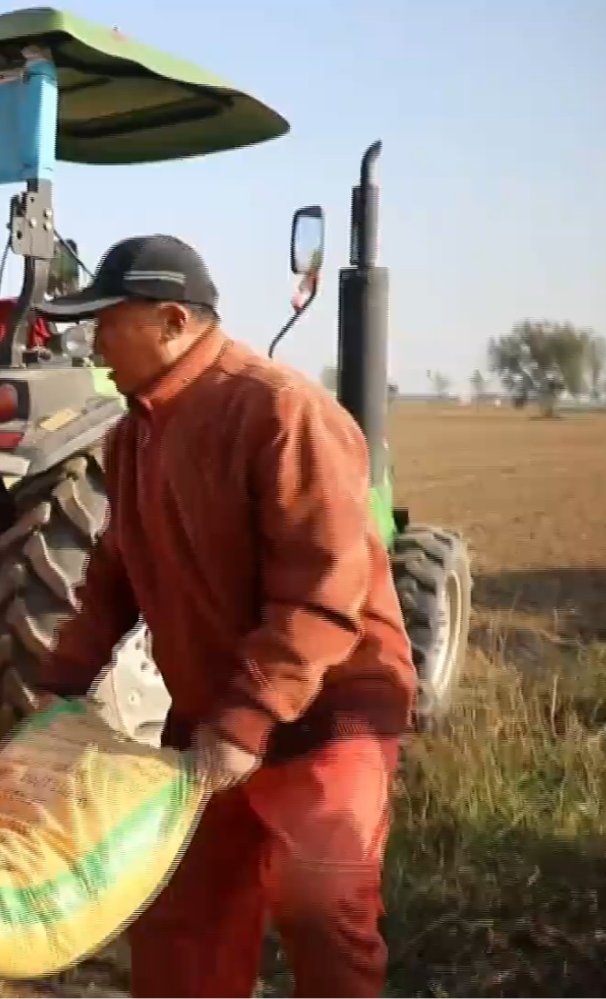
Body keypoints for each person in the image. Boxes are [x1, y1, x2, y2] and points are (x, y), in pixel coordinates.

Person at [37, 234, 416, 998]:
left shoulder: (279, 410)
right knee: (181, 910)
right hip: (214, 708)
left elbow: (322, 586)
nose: (92, 341)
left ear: (172, 319)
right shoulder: (131, 434)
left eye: (106, 321)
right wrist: (62, 688)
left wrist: (248, 716)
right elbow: (116, 570)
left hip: (326, 707)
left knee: (318, 901)